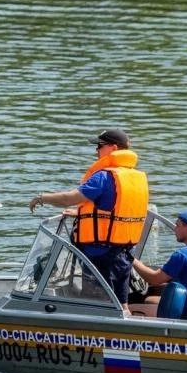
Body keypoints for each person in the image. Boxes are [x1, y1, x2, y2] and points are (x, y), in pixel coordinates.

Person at [28, 129, 149, 313]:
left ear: (113, 148)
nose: (97, 151)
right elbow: (115, 211)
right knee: (121, 303)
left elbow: (70, 198)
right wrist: (82, 214)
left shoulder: (104, 177)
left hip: (99, 253)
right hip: (123, 252)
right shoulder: (136, 178)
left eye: (100, 146)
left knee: (96, 306)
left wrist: (42, 197)